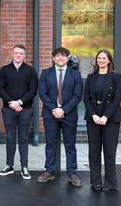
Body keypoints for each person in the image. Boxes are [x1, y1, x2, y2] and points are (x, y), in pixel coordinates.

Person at [37, 47, 83, 186]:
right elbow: (42, 94)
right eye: (57, 56)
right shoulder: (45, 73)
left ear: (68, 58)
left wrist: (63, 110)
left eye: (63, 56)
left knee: (70, 145)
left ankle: (72, 173)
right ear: (53, 58)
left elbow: (77, 96)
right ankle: (49, 171)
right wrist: (55, 109)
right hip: (50, 115)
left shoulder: (76, 75)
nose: (60, 58)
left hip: (69, 115)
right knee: (50, 144)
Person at [0, 45, 38, 179]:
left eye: (21, 53)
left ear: (24, 56)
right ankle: (9, 165)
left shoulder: (31, 71)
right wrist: (12, 103)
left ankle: (24, 167)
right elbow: (0, 89)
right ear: (12, 54)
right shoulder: (4, 70)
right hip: (9, 110)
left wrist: (19, 102)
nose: (18, 55)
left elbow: (33, 90)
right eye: (16, 53)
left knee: (23, 138)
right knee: (9, 138)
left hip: (25, 110)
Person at [83, 50, 121, 191]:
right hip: (93, 118)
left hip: (111, 119)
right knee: (94, 152)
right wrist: (94, 115)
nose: (101, 60)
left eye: (103, 58)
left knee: (109, 152)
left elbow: (117, 99)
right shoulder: (91, 77)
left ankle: (110, 182)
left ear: (109, 61)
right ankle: (95, 181)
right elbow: (86, 99)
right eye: (99, 58)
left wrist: (105, 116)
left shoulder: (116, 77)